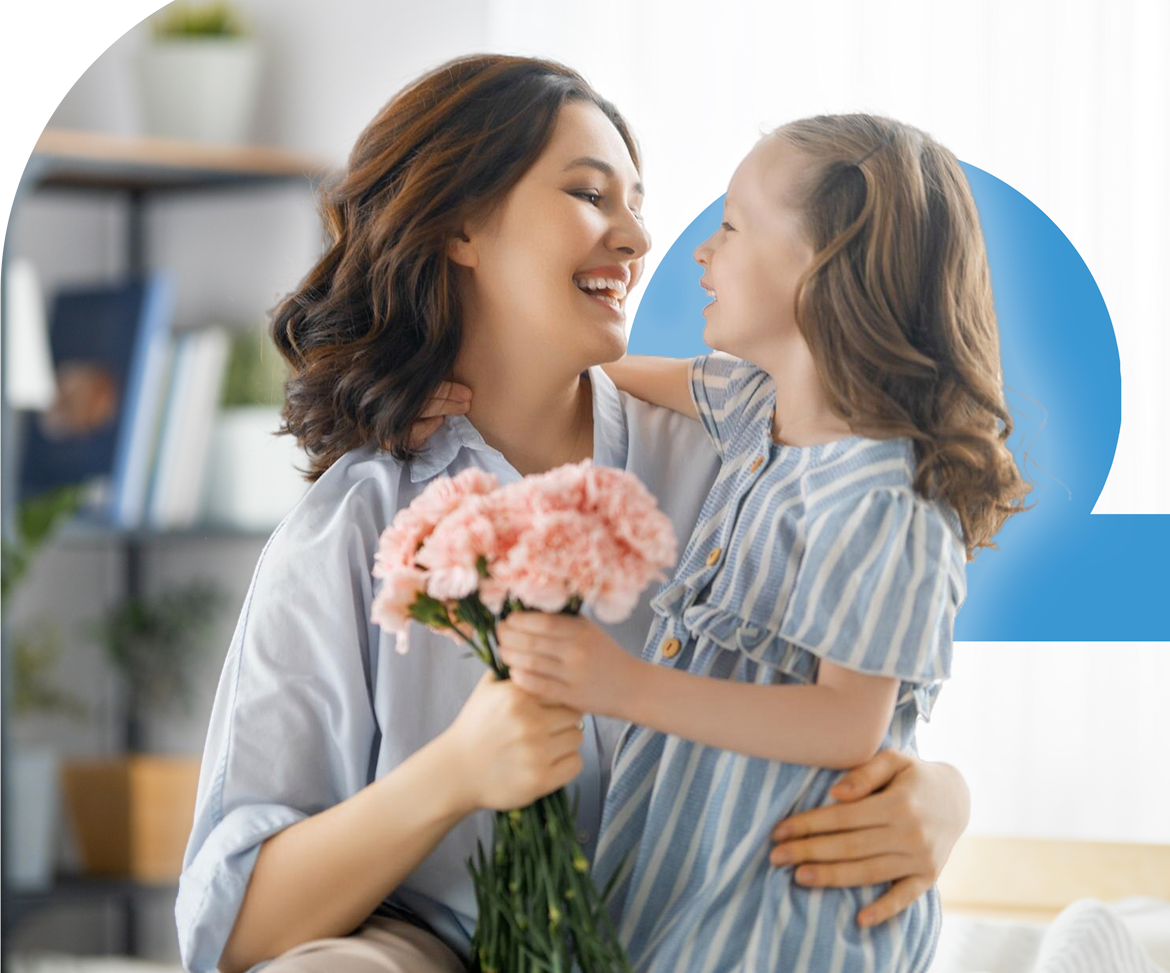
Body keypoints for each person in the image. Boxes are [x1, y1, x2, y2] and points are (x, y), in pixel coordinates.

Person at [175, 57, 972, 973]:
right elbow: (229, 932)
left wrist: (942, 796)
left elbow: (868, 684)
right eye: (592, 194)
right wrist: (455, 774)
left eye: (639, 202)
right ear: (460, 224)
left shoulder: (744, 464)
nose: (637, 238)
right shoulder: (357, 524)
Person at [493, 114, 1032, 972]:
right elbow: (603, 375)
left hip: (796, 909)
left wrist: (623, 685)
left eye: (732, 225)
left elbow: (847, 722)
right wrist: (472, 376)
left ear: (821, 266)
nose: (702, 252)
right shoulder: (755, 409)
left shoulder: (885, 493)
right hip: (699, 871)